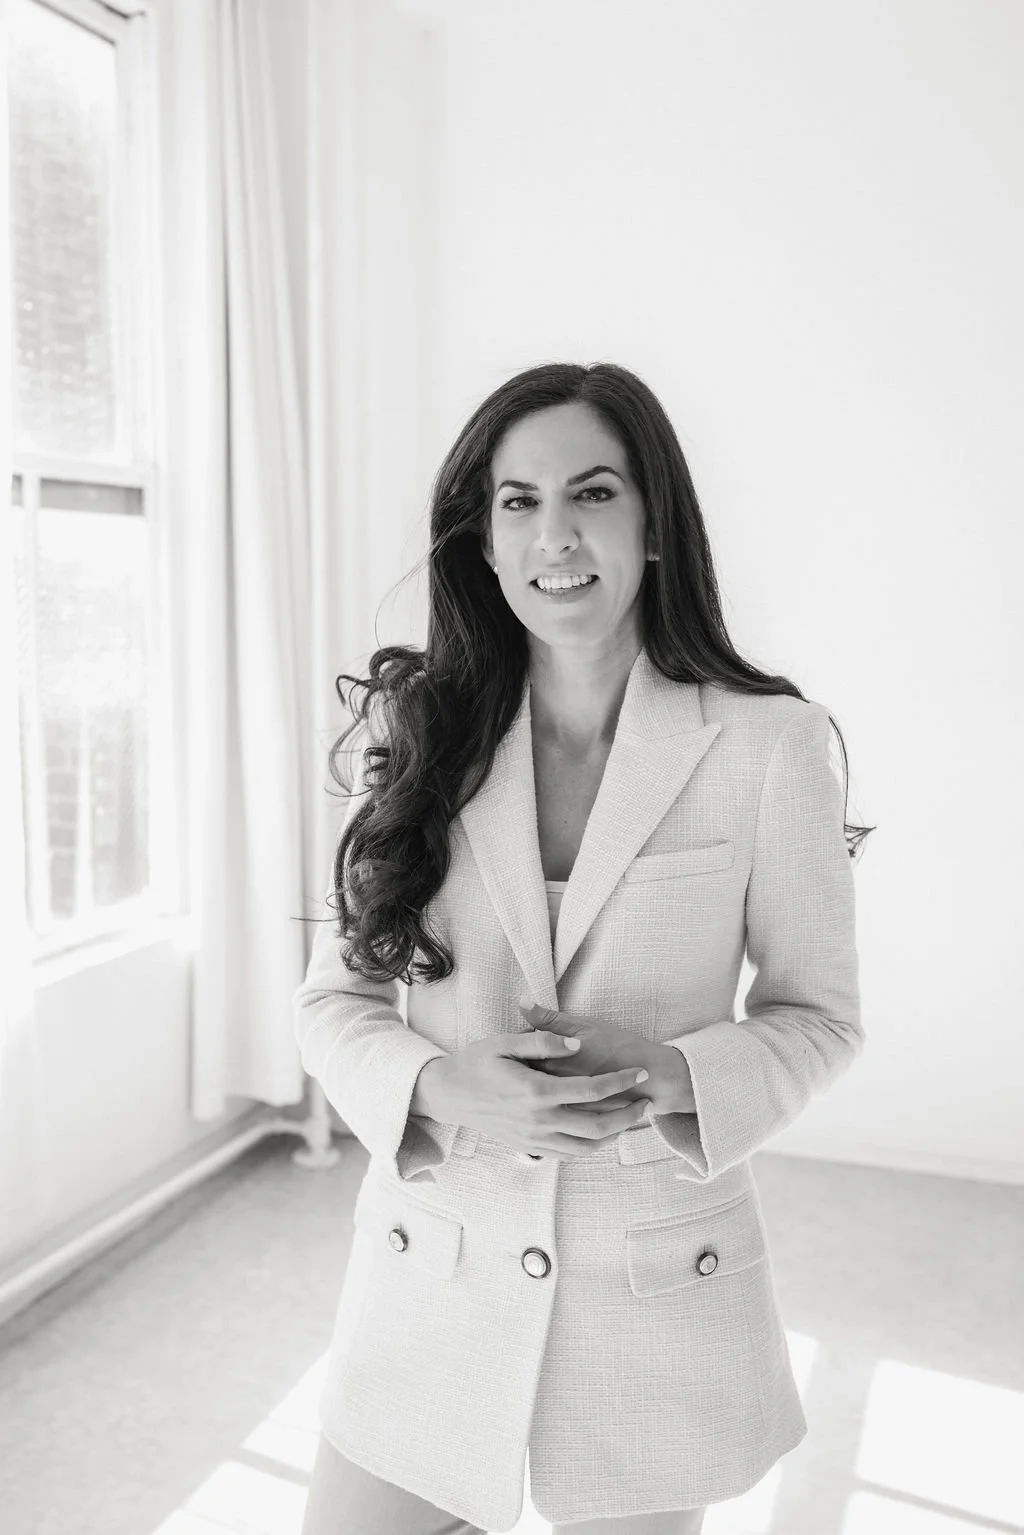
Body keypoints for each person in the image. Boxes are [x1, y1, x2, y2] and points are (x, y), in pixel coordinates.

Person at [294, 362, 870, 1535]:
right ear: (487, 538)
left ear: (654, 525)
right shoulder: (415, 735)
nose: (554, 533)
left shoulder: (772, 745)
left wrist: (666, 1071)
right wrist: (443, 1087)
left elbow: (818, 1014)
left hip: (650, 1300)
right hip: (427, 1279)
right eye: (518, 501)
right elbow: (332, 999)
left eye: (592, 492)